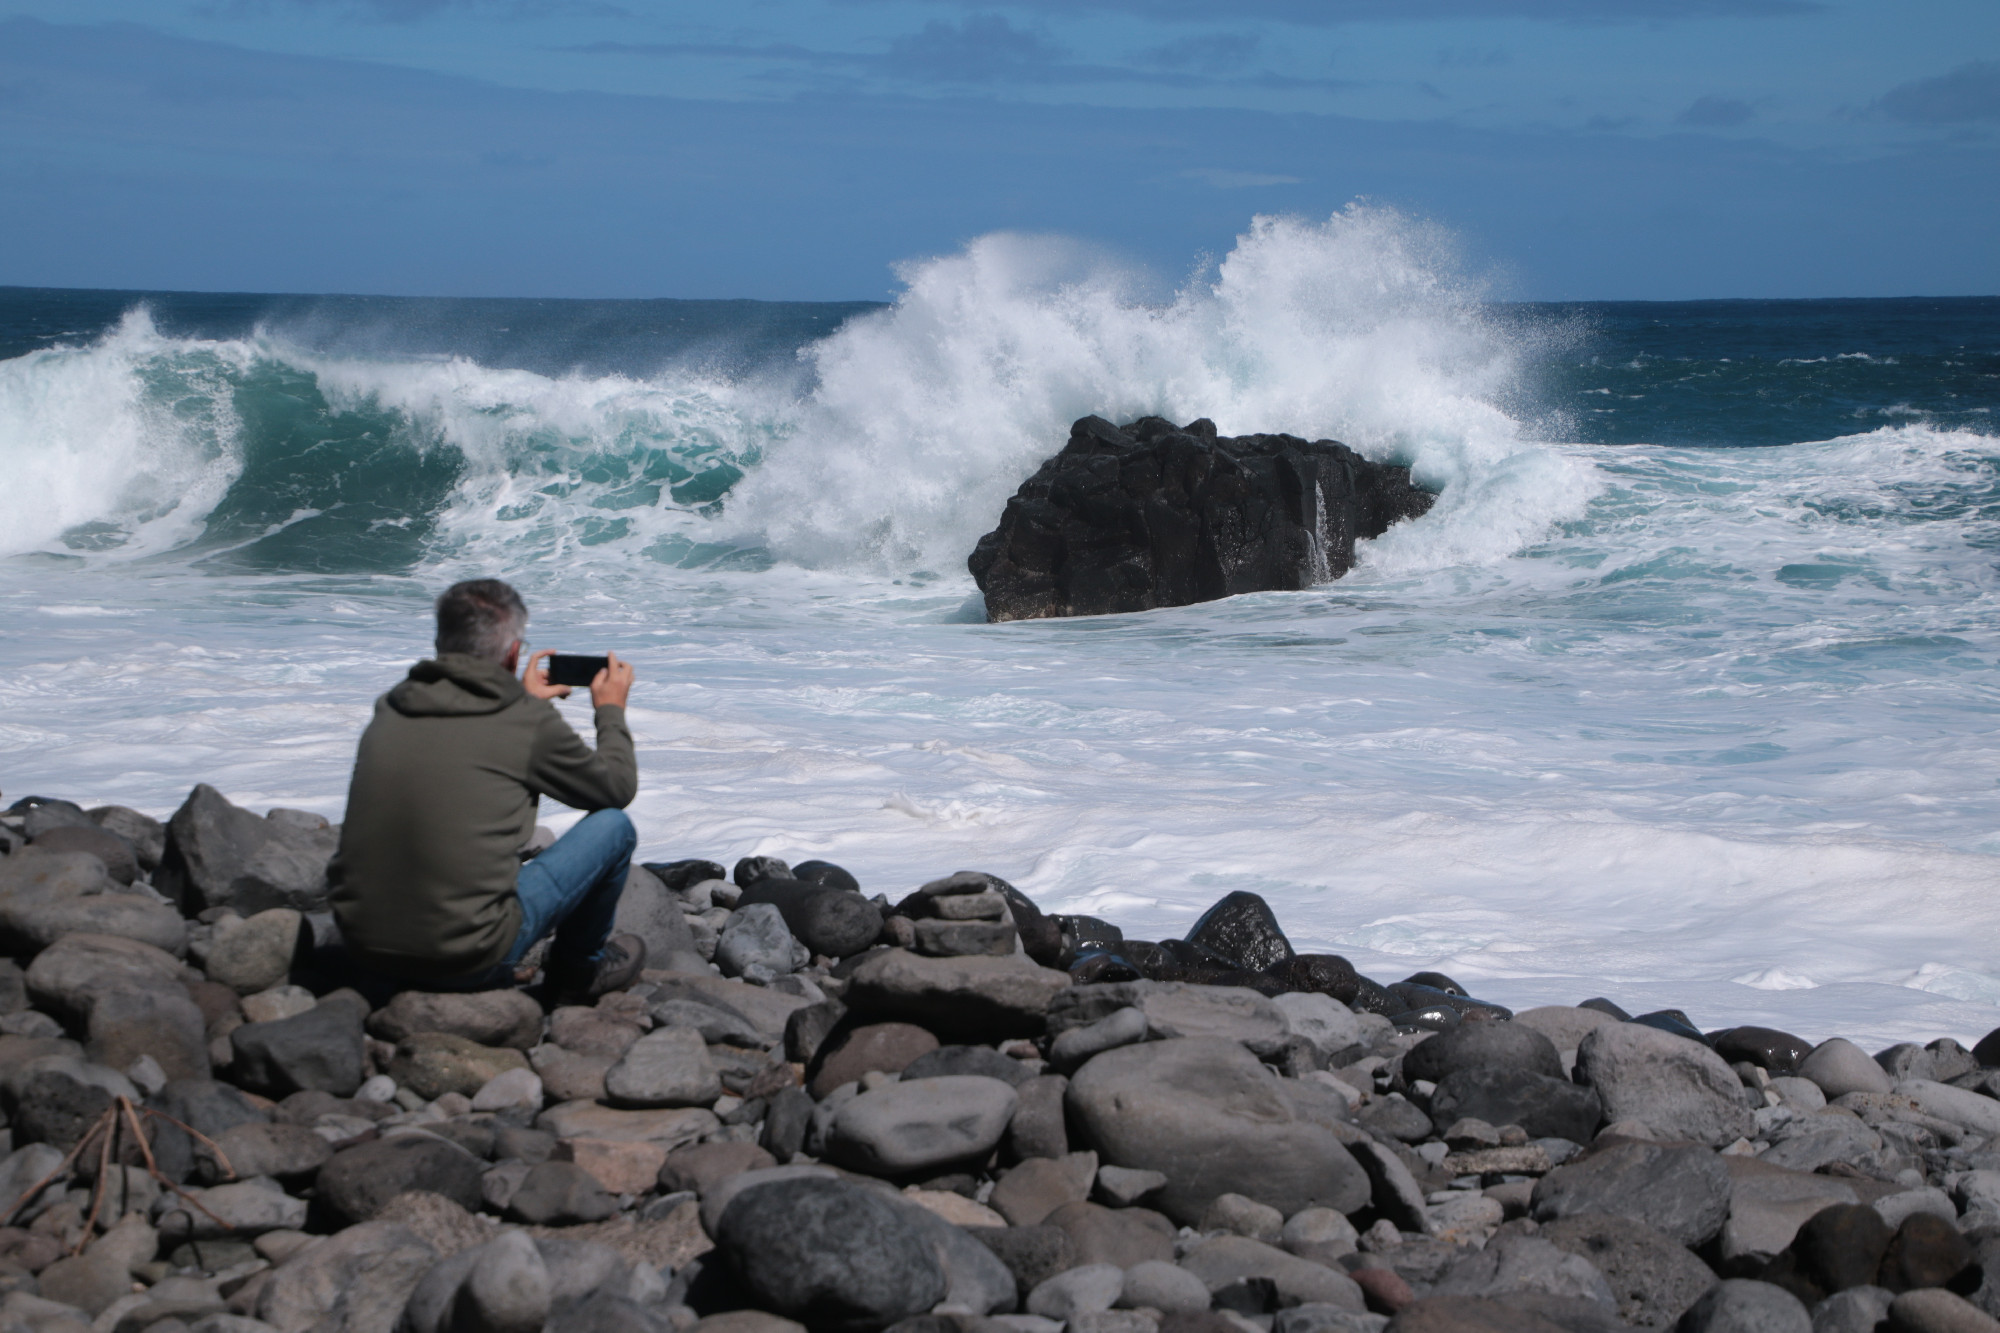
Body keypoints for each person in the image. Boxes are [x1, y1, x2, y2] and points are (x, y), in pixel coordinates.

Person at [327, 578, 647, 1003]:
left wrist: (527, 701)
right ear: (513, 652)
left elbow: (474, 742)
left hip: (361, 948)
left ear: (441, 640)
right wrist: (610, 710)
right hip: (465, 958)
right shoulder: (523, 720)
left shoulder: (392, 707)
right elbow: (616, 787)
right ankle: (578, 971)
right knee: (614, 827)